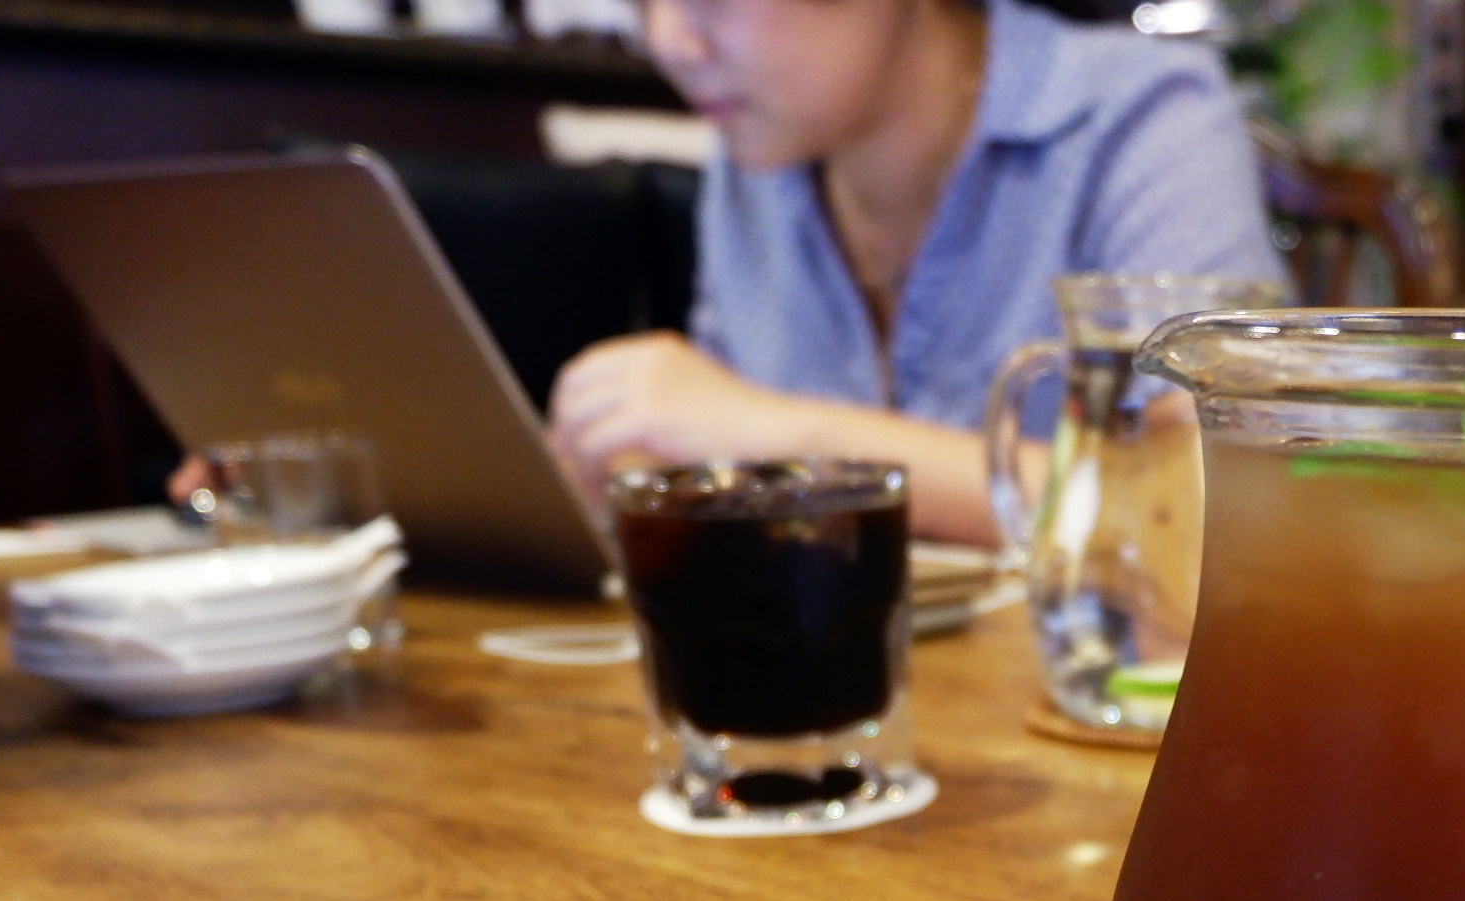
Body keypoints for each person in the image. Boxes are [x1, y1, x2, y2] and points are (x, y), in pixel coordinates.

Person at [546, 0, 1286, 544]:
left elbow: (1203, 511)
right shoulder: (760, 154)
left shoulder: (1146, 118)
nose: (669, 40)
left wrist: (782, 436)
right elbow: (726, 454)